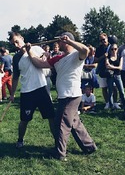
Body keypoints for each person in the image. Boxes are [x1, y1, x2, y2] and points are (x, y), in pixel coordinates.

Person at [26, 32, 97, 160]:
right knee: (75, 123)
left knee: (61, 124)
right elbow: (40, 64)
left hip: (70, 95)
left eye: (60, 41)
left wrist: (69, 41)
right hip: (65, 96)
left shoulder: (77, 55)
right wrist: (29, 51)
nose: (58, 43)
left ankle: (59, 153)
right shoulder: (58, 58)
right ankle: (90, 146)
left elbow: (85, 49)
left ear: (67, 40)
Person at [8, 32, 55, 148]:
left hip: (41, 88)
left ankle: (58, 141)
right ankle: (20, 140)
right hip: (27, 92)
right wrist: (12, 94)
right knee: (24, 120)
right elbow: (15, 78)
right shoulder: (16, 57)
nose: (16, 45)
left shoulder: (37, 48)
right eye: (13, 44)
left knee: (51, 117)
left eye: (17, 41)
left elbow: (45, 57)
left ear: (22, 38)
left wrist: (46, 55)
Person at [94, 33, 119, 109]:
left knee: (114, 87)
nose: (102, 41)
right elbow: (95, 60)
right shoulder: (99, 49)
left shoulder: (112, 46)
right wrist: (103, 56)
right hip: (102, 70)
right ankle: (107, 103)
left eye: (104, 39)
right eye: (101, 40)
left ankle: (115, 103)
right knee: (104, 88)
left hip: (112, 70)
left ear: (107, 38)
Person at [105, 43, 125, 116]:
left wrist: (111, 66)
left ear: (117, 49)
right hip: (110, 76)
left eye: (115, 49)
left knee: (122, 92)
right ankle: (112, 107)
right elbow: (107, 66)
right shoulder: (108, 57)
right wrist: (114, 66)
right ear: (110, 50)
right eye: (112, 49)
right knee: (110, 92)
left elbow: (120, 67)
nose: (113, 51)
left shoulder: (119, 57)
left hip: (117, 76)